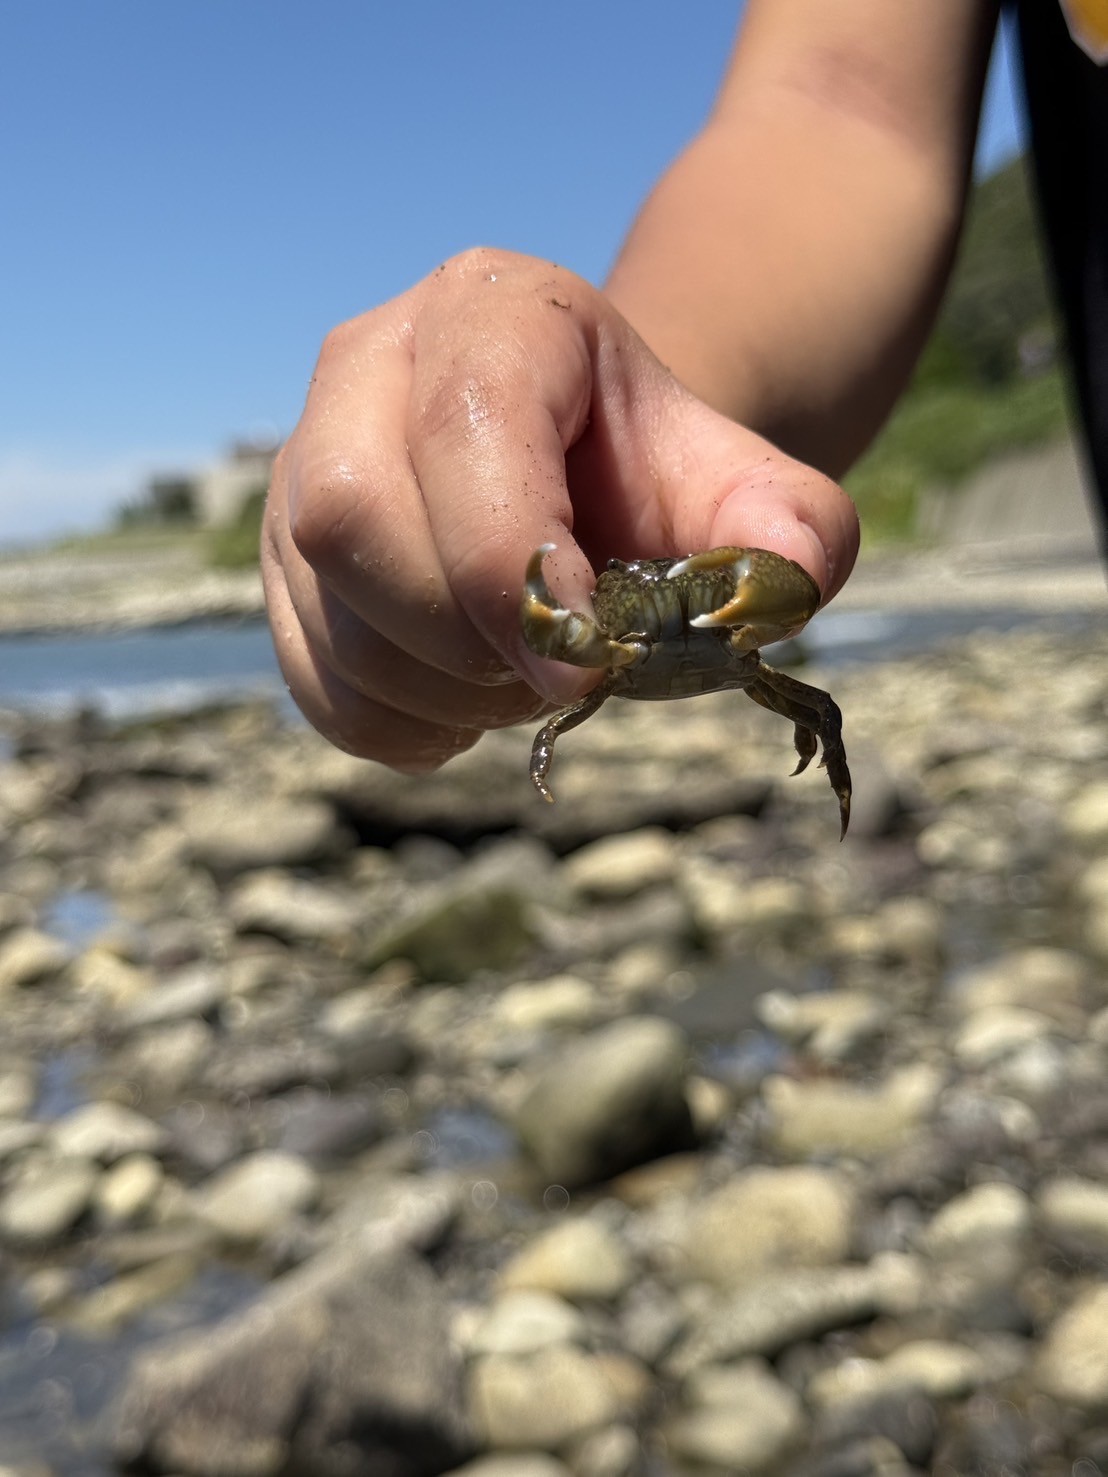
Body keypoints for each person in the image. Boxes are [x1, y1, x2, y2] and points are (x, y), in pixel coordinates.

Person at [262, 0, 1105, 774]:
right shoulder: (617, 628)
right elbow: (844, 108)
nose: (672, 595)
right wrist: (630, 429)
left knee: (818, 714)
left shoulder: (735, 635)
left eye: (692, 582)